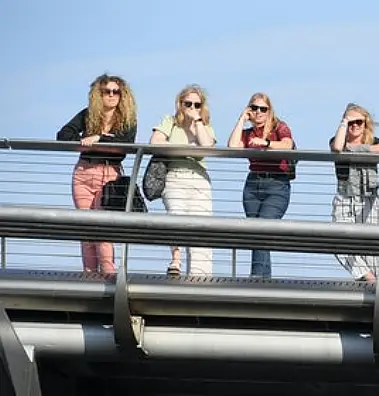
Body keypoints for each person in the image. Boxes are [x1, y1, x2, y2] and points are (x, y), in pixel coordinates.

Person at [56, 74, 138, 276]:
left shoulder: (127, 119)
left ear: (122, 95)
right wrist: (84, 139)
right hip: (83, 173)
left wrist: (99, 138)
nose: (111, 95)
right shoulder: (87, 115)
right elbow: (64, 134)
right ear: (98, 94)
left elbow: (125, 144)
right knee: (86, 230)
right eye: (106, 91)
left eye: (115, 92)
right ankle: (89, 276)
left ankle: (108, 275)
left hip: (109, 175)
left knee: (102, 229)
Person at [149, 85, 217, 278]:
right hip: (175, 176)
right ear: (180, 104)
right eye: (188, 103)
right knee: (176, 219)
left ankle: (201, 277)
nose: (192, 107)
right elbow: (155, 142)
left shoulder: (204, 125)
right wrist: (186, 148)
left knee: (201, 228)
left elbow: (206, 146)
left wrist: (197, 122)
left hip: (199, 179)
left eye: (197, 104)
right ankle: (176, 260)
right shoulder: (169, 122)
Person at [227, 93, 295, 279]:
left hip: (277, 184)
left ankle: (256, 279)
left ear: (269, 111)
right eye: (254, 108)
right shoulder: (248, 133)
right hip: (253, 185)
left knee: (262, 231)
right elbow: (232, 146)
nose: (258, 112)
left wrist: (266, 143)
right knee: (256, 235)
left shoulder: (279, 127)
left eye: (263, 109)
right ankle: (264, 281)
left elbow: (287, 144)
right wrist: (242, 118)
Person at [328, 103, 379, 282]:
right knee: (337, 241)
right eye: (350, 122)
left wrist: (356, 149)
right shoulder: (337, 138)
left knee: (370, 245)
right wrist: (343, 123)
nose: (354, 126)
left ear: (365, 124)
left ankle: (376, 288)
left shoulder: (372, 141)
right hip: (345, 196)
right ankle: (371, 280)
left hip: (368, 197)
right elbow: (337, 147)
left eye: (358, 122)